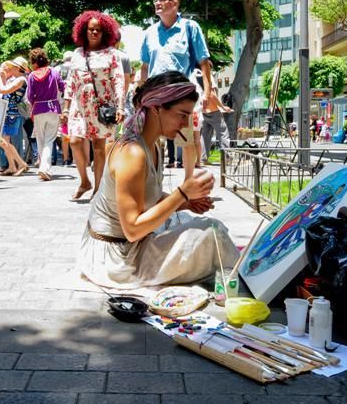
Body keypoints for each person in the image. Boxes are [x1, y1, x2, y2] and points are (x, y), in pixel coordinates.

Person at [78, 71, 239, 288]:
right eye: (182, 115)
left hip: (127, 246)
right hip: (116, 258)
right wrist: (182, 193)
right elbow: (133, 230)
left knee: (197, 227)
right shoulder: (133, 153)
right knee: (212, 233)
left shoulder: (153, 144)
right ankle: (249, 280)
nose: (185, 124)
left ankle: (243, 273)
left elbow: (147, 196)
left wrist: (186, 203)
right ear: (156, 108)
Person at [140, 0, 213, 179]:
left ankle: (188, 182)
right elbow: (145, 66)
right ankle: (153, 182)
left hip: (182, 94)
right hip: (155, 95)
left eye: (162, 0)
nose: (157, 3)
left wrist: (207, 93)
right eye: (156, 0)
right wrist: (140, 92)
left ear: (174, 3)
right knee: (153, 140)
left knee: (187, 139)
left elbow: (204, 63)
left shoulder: (190, 28)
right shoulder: (150, 33)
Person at [61, 10, 125, 200]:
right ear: (84, 31)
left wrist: (120, 106)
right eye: (91, 29)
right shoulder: (77, 54)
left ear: (105, 32)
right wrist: (65, 107)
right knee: (74, 141)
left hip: (101, 106)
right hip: (79, 106)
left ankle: (98, 189)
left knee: (98, 148)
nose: (94, 33)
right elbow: (71, 81)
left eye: (98, 30)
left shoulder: (112, 54)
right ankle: (84, 181)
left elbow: (118, 81)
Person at [26, 47, 65, 181]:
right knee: (50, 140)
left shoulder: (31, 76)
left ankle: (43, 167)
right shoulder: (54, 72)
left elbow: (30, 96)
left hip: (38, 110)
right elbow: (62, 87)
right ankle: (44, 167)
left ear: (35, 62)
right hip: (53, 108)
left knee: (40, 140)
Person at [0, 57, 31, 176]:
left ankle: (21, 164)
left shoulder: (21, 80)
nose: (9, 68)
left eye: (12, 66)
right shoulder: (17, 79)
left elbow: (3, 90)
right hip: (10, 113)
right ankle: (12, 166)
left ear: (18, 68)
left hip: (13, 114)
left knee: (3, 142)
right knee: (4, 141)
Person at [201, 86, 231, 163]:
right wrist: (223, 107)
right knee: (223, 133)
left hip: (204, 112)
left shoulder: (196, 77)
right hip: (213, 111)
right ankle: (226, 157)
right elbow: (212, 94)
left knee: (205, 136)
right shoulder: (208, 77)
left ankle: (203, 158)